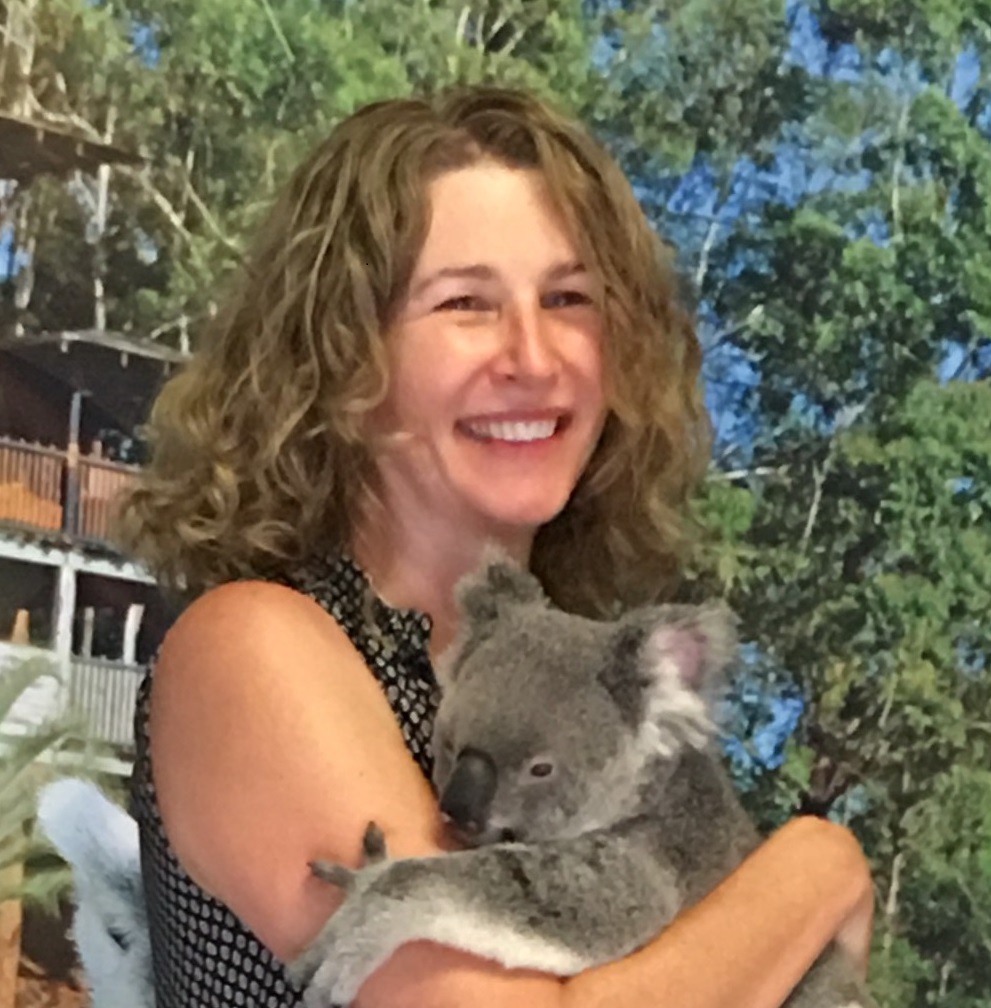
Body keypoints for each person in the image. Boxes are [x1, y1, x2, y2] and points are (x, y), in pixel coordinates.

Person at [119, 85, 874, 1008]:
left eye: (568, 298)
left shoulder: (577, 682)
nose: (532, 354)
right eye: (465, 303)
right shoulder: (256, 650)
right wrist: (817, 867)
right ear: (345, 357)